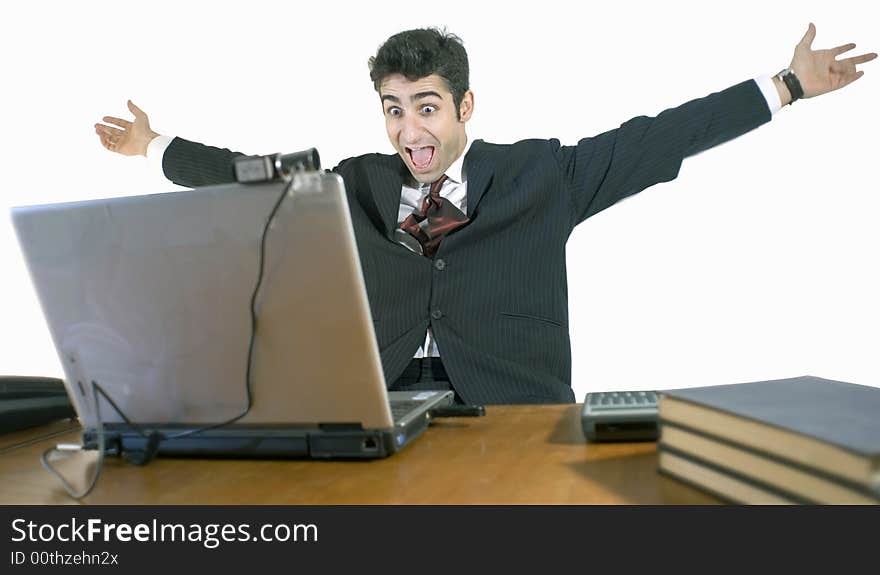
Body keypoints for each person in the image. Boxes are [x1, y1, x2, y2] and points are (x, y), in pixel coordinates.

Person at [94, 26, 875, 405]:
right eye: (394, 110)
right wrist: (154, 145)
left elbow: (659, 136)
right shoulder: (355, 182)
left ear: (464, 105)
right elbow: (250, 177)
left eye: (426, 108)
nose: (410, 131)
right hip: (381, 409)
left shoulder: (544, 174)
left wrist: (787, 85)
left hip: (512, 409)